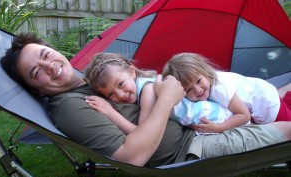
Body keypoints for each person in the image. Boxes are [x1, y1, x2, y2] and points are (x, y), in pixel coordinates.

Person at [0, 32, 291, 167]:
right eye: (37, 71)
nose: (50, 65)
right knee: (287, 132)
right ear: (36, 89)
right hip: (193, 149)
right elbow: (132, 156)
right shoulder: (69, 106)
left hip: (196, 126)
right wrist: (167, 98)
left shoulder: (88, 81)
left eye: (46, 54)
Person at [84, 52, 238, 135]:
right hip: (205, 117)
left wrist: (110, 112)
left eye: (121, 84)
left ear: (131, 72)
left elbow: (142, 133)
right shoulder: (142, 86)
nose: (120, 94)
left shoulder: (147, 90)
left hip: (213, 118)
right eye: (111, 95)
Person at [162, 52, 291, 134]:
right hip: (260, 92)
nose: (198, 90)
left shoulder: (219, 88)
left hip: (267, 105)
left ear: (205, 71)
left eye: (199, 81)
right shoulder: (207, 85)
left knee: (286, 130)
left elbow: (244, 115)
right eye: (188, 89)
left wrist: (220, 127)